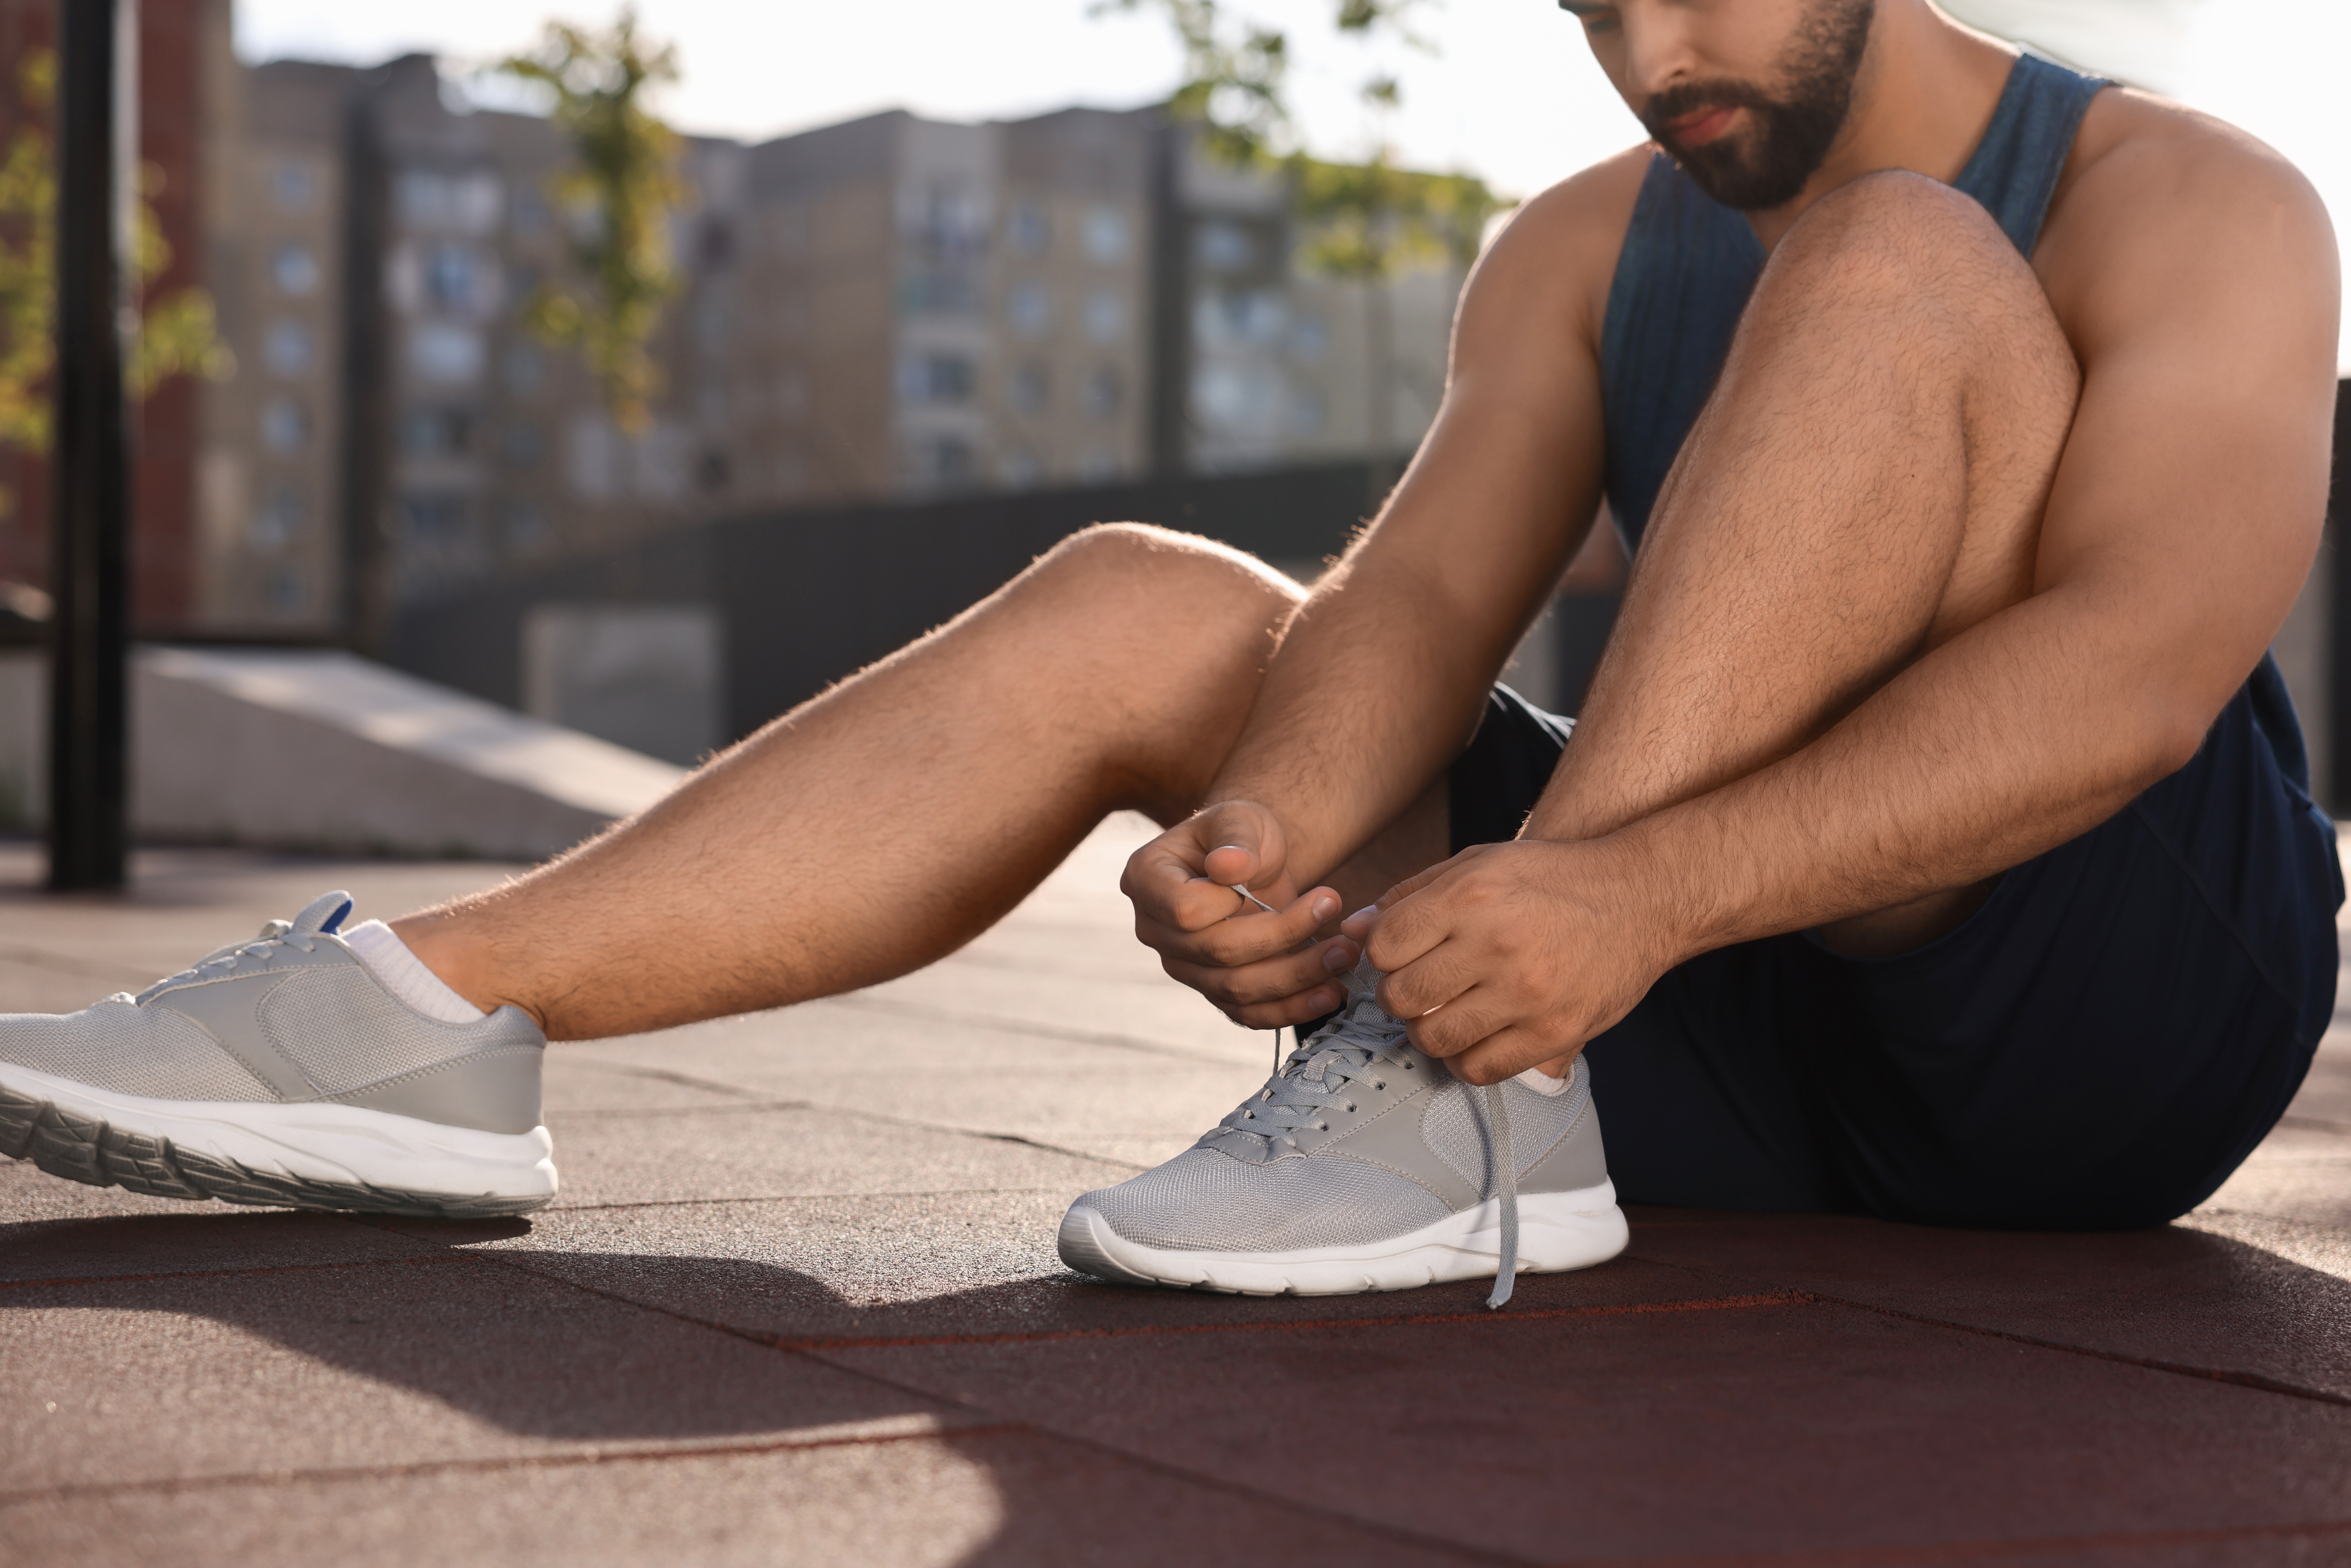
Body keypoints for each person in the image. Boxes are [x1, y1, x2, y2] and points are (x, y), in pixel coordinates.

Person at [0, 0, 2338, 1306]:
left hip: (2086, 996)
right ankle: (414, 1014)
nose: (1649, 48)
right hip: (1677, 1014)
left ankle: (1452, 1076)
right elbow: (1413, 598)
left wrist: (1610, 896)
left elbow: (2134, 667)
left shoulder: (2177, 195)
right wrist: (1279, 829)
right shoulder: (1575, 245)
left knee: (1897, 259)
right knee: (1155, 593)